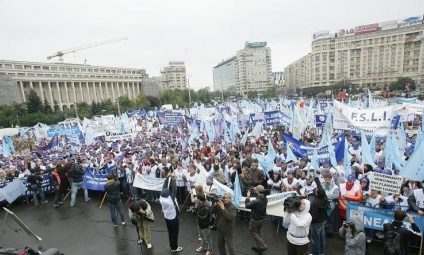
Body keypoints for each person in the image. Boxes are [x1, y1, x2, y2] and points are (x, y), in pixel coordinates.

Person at [245, 185, 268, 254]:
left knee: (253, 232)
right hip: (262, 218)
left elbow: (247, 205)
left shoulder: (256, 201)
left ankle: (263, 245)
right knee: (259, 232)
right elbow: (258, 197)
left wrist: (248, 197)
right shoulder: (265, 198)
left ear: (257, 191)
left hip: (255, 220)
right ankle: (258, 247)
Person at [309, 175, 329, 255]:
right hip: (322, 221)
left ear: (317, 193)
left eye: (316, 190)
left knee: (315, 240)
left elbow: (314, 216)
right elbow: (320, 188)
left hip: (316, 223)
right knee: (321, 238)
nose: (315, 190)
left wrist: (310, 221)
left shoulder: (315, 203)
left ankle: (316, 253)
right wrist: (316, 178)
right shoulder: (325, 198)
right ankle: (321, 252)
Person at [159, 188, 183, 253]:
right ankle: (174, 248)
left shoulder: (161, 198)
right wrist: (173, 179)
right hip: (173, 218)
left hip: (167, 217)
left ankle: (172, 245)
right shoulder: (170, 200)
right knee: (174, 233)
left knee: (170, 233)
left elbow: (165, 186)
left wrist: (167, 179)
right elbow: (174, 190)